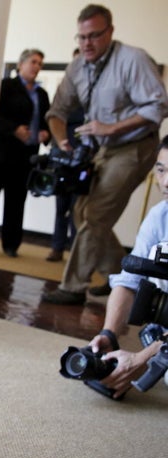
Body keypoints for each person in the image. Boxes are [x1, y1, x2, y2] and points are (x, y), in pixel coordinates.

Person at [41, 4, 168, 304]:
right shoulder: (77, 67)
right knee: (81, 211)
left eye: (94, 36)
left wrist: (112, 128)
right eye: (81, 37)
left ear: (110, 32)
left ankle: (72, 288)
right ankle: (119, 276)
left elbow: (158, 107)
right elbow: (57, 112)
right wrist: (62, 142)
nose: (87, 43)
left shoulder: (132, 59)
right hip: (104, 148)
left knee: (95, 215)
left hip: (136, 146)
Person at [87, 136, 168, 399]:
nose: (165, 182)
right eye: (161, 169)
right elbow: (129, 279)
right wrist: (109, 333)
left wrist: (142, 358)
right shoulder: (160, 216)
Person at [0, 49, 51, 257]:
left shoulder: (41, 94)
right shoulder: (6, 86)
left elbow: (46, 119)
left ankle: (11, 245)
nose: (37, 67)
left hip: (26, 156)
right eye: (33, 62)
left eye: (40, 64)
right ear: (21, 64)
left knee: (17, 201)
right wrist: (13, 129)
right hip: (2, 154)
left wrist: (46, 132)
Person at [46, 48, 82, 263]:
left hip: (84, 160)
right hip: (63, 158)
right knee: (61, 206)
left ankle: (76, 254)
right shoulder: (64, 94)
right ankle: (57, 248)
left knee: (78, 210)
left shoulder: (94, 95)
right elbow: (54, 119)